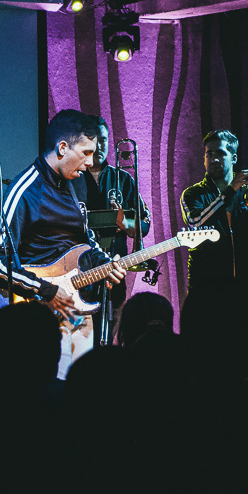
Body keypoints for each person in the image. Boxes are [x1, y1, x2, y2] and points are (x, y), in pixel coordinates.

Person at [0, 109, 125, 378]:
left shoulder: (78, 183)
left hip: (77, 304)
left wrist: (105, 264)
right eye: (85, 153)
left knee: (82, 389)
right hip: (35, 310)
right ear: (62, 147)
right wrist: (46, 290)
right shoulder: (25, 190)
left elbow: (85, 241)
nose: (90, 162)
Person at [179, 129, 248, 375]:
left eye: (220, 153)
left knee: (243, 360)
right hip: (206, 289)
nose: (213, 158)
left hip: (244, 290)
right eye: (209, 153)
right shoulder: (194, 194)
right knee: (204, 359)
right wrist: (229, 192)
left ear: (234, 158)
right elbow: (195, 222)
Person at [73, 116, 151, 342]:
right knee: (82, 339)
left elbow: (143, 225)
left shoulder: (123, 179)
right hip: (81, 270)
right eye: (94, 140)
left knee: (109, 331)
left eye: (104, 140)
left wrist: (125, 223)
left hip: (116, 270)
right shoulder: (73, 177)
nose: (99, 146)